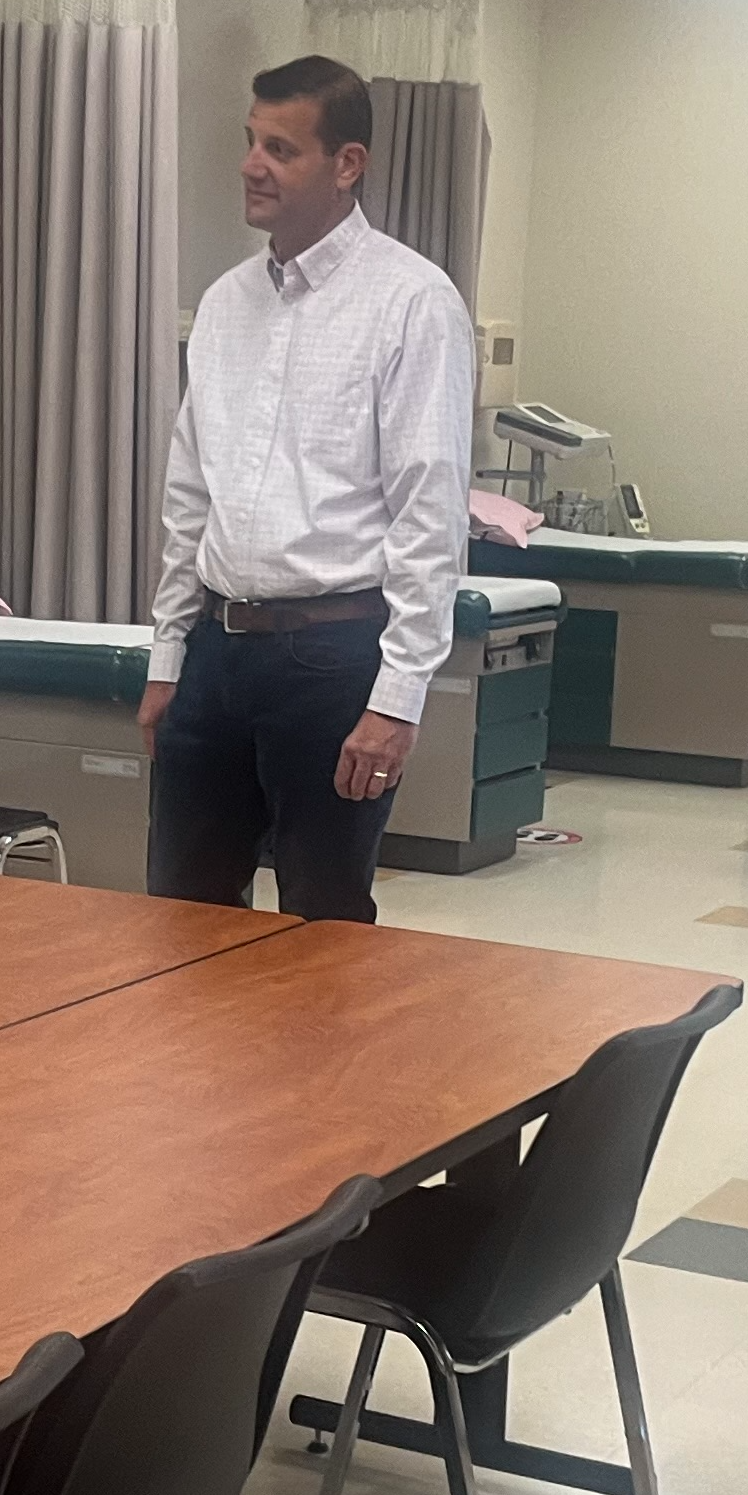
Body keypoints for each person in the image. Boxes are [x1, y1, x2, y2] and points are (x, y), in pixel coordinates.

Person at [140, 56, 473, 922]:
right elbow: (190, 495)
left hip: (332, 655)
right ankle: (201, 1067)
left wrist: (396, 701)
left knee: (323, 928)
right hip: (217, 647)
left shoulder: (411, 302)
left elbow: (428, 514)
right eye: (252, 141)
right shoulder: (224, 304)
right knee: (181, 916)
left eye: (281, 148)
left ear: (346, 163)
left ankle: (326, 1065)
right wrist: (169, 656)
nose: (253, 164)